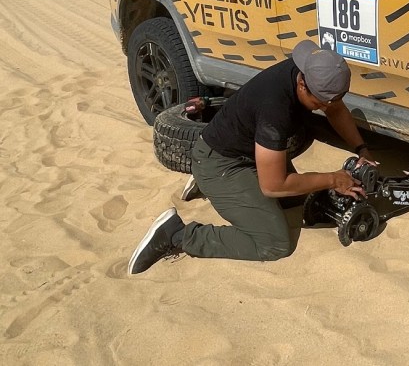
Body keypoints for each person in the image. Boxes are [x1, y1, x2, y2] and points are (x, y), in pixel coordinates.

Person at [128, 39, 373, 275]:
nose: (325, 107)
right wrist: (332, 179)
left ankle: (219, 188)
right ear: (303, 86)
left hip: (248, 153)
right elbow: (273, 185)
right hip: (221, 164)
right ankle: (176, 235)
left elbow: (335, 108)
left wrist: (362, 149)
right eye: (321, 103)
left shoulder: (309, 68)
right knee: (275, 243)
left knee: (299, 201)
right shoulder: (275, 112)